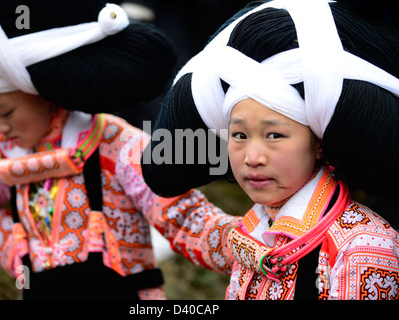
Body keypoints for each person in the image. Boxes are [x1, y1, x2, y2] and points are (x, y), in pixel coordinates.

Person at [141, 0, 399, 299]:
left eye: (274, 134)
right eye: (239, 135)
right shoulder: (252, 229)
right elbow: (190, 223)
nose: (252, 157)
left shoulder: (363, 248)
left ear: (318, 143)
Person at [0, 0, 199, 300]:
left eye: (5, 112)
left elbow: (178, 210)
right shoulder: (1, 154)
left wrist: (229, 241)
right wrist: (20, 256)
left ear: (42, 93)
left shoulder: (112, 141)